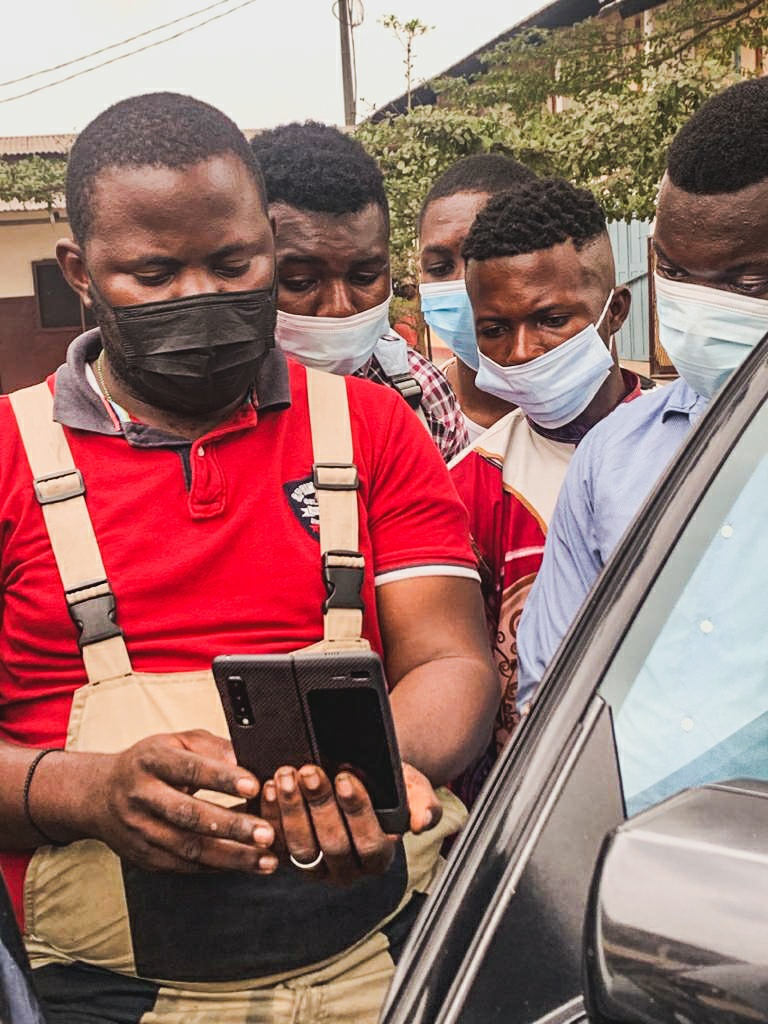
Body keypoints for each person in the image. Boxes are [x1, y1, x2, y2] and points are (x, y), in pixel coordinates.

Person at [0, 93, 498, 1022]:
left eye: (233, 264)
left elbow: (452, 661)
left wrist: (368, 772)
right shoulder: (6, 457)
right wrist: (87, 791)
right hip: (108, 997)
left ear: (270, 243)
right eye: (153, 274)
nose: (199, 296)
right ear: (80, 272)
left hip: (388, 963)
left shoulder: (374, 428)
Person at [517, 77, 768, 713]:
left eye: (748, 283)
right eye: (675, 272)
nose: (702, 312)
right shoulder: (612, 455)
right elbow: (551, 691)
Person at [449, 178, 640, 802]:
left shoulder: (688, 447)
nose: (522, 352)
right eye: (494, 329)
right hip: (525, 802)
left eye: (552, 320)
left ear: (614, 312)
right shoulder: (471, 484)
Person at [251, 122, 468, 461]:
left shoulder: (424, 397)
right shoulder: (205, 410)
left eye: (364, 277)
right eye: (301, 281)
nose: (340, 308)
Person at [418, 154, 537, 442]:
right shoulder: (410, 414)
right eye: (440, 268)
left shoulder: (609, 418)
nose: (463, 282)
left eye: (484, 257)